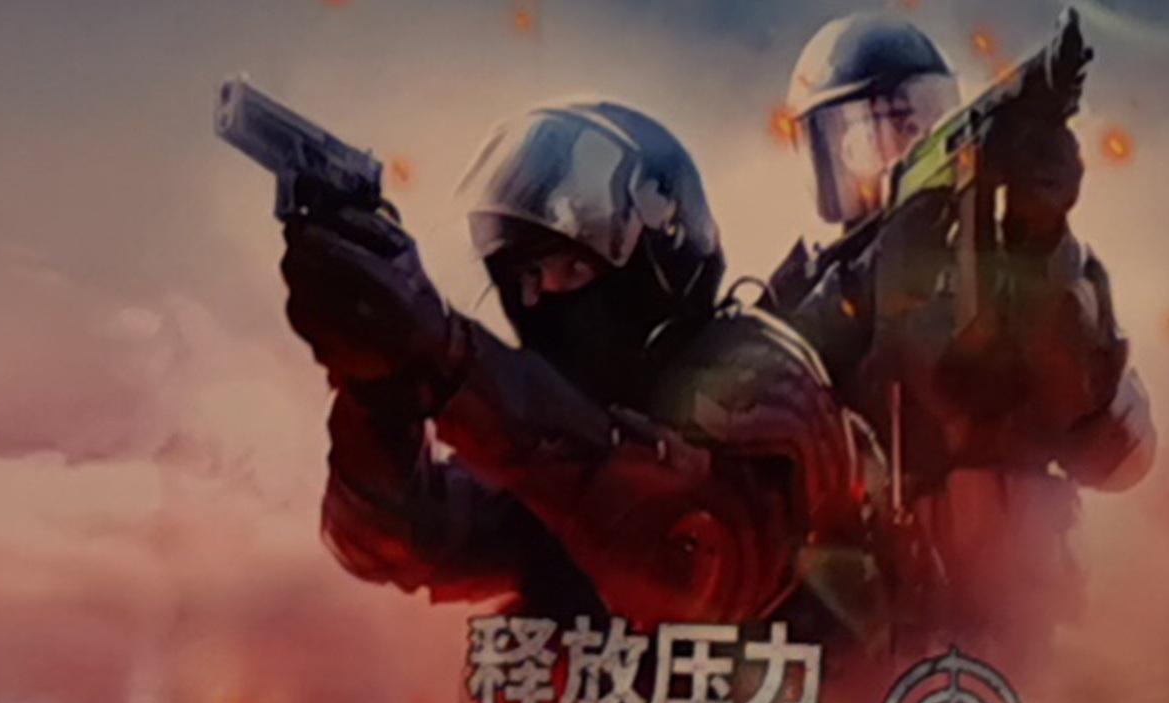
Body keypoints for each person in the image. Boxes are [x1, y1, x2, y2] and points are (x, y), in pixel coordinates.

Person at [279, 96, 859, 647]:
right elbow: (396, 543)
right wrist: (377, 385)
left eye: (570, 268)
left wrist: (447, 356)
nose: (536, 300)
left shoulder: (763, 379)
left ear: (661, 254)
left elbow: (691, 567)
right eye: (522, 278)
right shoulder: (560, 438)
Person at [754, 11, 1153, 664]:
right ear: (828, 153)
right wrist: (864, 292)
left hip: (1017, 647)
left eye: (920, 123)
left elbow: (1119, 455)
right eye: (872, 136)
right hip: (847, 653)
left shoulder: (1019, 262)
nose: (903, 149)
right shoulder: (808, 291)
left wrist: (1038, 243)